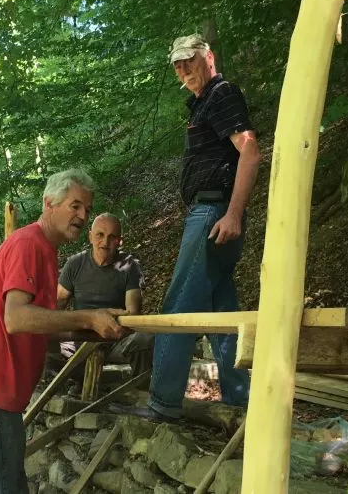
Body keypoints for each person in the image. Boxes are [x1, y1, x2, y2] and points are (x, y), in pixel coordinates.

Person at [0, 169, 128, 494]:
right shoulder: (28, 244)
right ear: (49, 203)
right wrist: (87, 318)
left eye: (87, 209)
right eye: (75, 205)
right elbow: (17, 319)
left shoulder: (45, 249)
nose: (82, 215)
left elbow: (39, 325)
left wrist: (93, 328)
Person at [145, 34, 261, 420]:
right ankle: (240, 399)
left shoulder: (221, 93)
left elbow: (250, 151)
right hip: (212, 212)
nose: (183, 70)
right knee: (220, 308)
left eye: (189, 61)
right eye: (177, 65)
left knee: (179, 304)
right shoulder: (202, 102)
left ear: (208, 57)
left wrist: (233, 213)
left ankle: (162, 404)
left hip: (213, 213)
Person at [49, 213, 153, 385]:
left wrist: (109, 327)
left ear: (120, 241)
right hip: (78, 339)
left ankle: (139, 391)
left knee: (145, 340)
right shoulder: (75, 264)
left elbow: (133, 313)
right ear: (90, 236)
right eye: (100, 235)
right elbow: (56, 306)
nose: (105, 242)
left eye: (112, 237)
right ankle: (68, 384)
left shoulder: (130, 265)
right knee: (39, 338)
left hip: (115, 340)